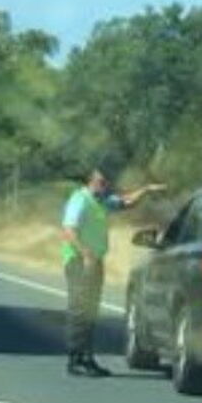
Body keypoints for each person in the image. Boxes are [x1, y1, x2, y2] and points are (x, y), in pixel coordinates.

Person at [61, 160, 166, 377]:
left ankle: (85, 357)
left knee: (90, 310)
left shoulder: (101, 201)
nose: (104, 184)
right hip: (80, 261)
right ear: (90, 181)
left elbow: (126, 202)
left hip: (94, 261)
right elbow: (69, 230)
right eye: (100, 181)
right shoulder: (80, 200)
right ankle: (77, 359)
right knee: (81, 309)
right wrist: (86, 254)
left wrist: (146, 190)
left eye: (106, 181)